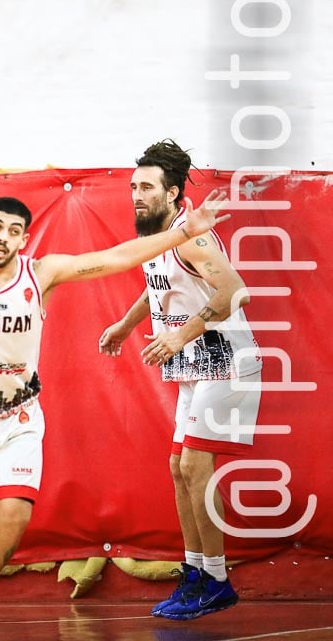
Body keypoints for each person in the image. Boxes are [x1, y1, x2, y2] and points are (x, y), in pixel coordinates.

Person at [0, 83, 230, 641]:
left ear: (23, 240)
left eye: (15, 231)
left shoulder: (42, 274)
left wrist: (184, 230)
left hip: (17, 415)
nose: (4, 237)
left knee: (14, 519)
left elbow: (115, 258)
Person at [99, 139, 261, 621]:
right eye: (133, 186)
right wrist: (126, 325)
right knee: (178, 468)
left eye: (146, 187)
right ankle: (195, 572)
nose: (136, 195)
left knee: (194, 467)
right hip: (194, 360)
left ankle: (216, 578)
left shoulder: (191, 235)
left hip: (224, 356)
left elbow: (237, 292)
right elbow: (159, 285)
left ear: (172, 194)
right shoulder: (160, 234)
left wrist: (177, 338)